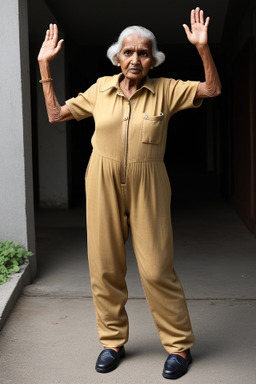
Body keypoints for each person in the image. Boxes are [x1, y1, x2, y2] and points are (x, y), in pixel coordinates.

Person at [38, 7, 221, 380]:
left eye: (142, 53)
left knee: (156, 268)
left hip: (148, 181)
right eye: (128, 52)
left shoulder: (167, 89)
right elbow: (56, 115)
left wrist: (203, 49)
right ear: (117, 57)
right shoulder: (99, 90)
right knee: (104, 266)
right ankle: (112, 341)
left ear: (153, 60)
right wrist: (45, 68)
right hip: (101, 178)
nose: (135, 59)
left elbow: (212, 89)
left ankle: (178, 346)